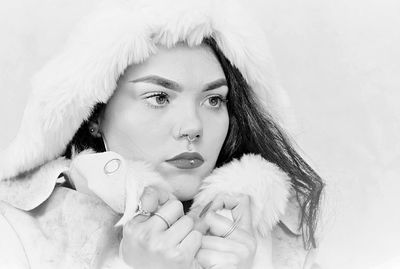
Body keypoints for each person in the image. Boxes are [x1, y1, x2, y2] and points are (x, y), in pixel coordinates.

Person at [0, 0, 324, 268]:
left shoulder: (280, 238)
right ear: (94, 115)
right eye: (159, 97)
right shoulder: (16, 229)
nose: (193, 127)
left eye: (214, 100)